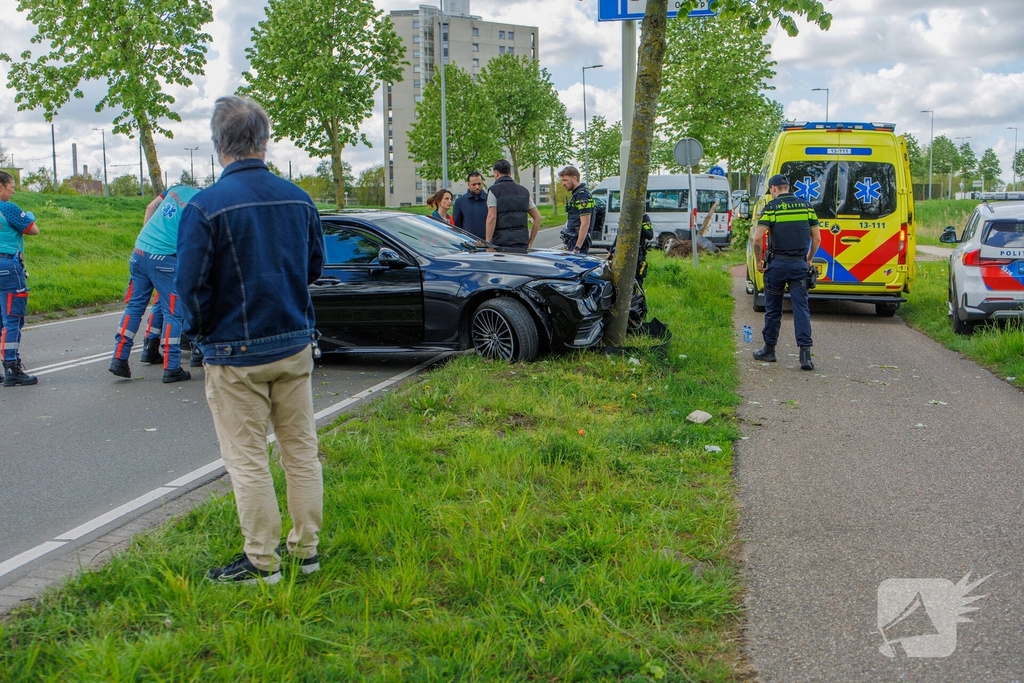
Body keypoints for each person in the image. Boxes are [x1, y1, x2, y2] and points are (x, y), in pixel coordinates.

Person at [177, 95, 325, 585]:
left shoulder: (203, 207)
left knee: (247, 458)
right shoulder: (299, 199)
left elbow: (190, 286)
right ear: (264, 141)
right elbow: (313, 270)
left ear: (220, 147)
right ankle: (307, 552)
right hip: (293, 342)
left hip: (233, 349)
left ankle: (262, 561)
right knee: (300, 451)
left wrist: (198, 336)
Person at [108, 185, 198, 382]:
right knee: (173, 313)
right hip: (165, 258)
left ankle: (119, 358)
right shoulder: (202, 201)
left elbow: (150, 207)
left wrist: (148, 239)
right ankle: (172, 367)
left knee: (134, 306)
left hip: (139, 251)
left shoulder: (177, 188)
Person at [751, 174, 821, 371]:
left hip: (777, 267)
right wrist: (808, 259)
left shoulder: (771, 208)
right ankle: (805, 356)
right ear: (787, 187)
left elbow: (757, 239)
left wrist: (758, 262)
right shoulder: (807, 207)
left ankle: (769, 350)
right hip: (799, 265)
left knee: (773, 310)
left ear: (774, 189)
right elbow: (816, 239)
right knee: (802, 309)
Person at [0, 171, 40, 387]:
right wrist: (30, 216)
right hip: (7, 266)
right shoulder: (7, 208)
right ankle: (11, 367)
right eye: (11, 186)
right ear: (0, 186)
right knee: (12, 318)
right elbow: (33, 230)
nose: (13, 190)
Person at [485, 159, 542, 252]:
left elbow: (491, 217)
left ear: (496, 173)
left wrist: (488, 244)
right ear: (510, 173)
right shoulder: (524, 191)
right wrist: (530, 242)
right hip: (521, 242)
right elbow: (538, 217)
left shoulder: (494, 191)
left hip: (501, 243)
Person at [558, 166, 594, 253]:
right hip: (572, 240)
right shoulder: (576, 195)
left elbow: (585, 223)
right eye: (562, 180)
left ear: (575, 178)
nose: (563, 183)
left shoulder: (582, 196)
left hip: (577, 243)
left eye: (565, 180)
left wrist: (577, 248)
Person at [452, 172, 488, 239]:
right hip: (467, 244)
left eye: (479, 184)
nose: (477, 187)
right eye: (474, 184)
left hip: (486, 243)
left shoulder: (489, 200)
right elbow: (457, 225)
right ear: (468, 184)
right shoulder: (460, 202)